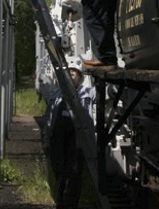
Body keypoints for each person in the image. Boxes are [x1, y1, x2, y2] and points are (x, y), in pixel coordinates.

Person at [42, 60, 95, 209]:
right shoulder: (57, 95)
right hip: (57, 141)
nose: (71, 74)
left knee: (74, 174)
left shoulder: (88, 93)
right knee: (59, 173)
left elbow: (110, 93)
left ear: (80, 77)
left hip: (77, 142)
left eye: (75, 72)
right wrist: (46, 140)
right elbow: (49, 119)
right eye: (69, 71)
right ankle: (60, 203)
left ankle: (70, 205)